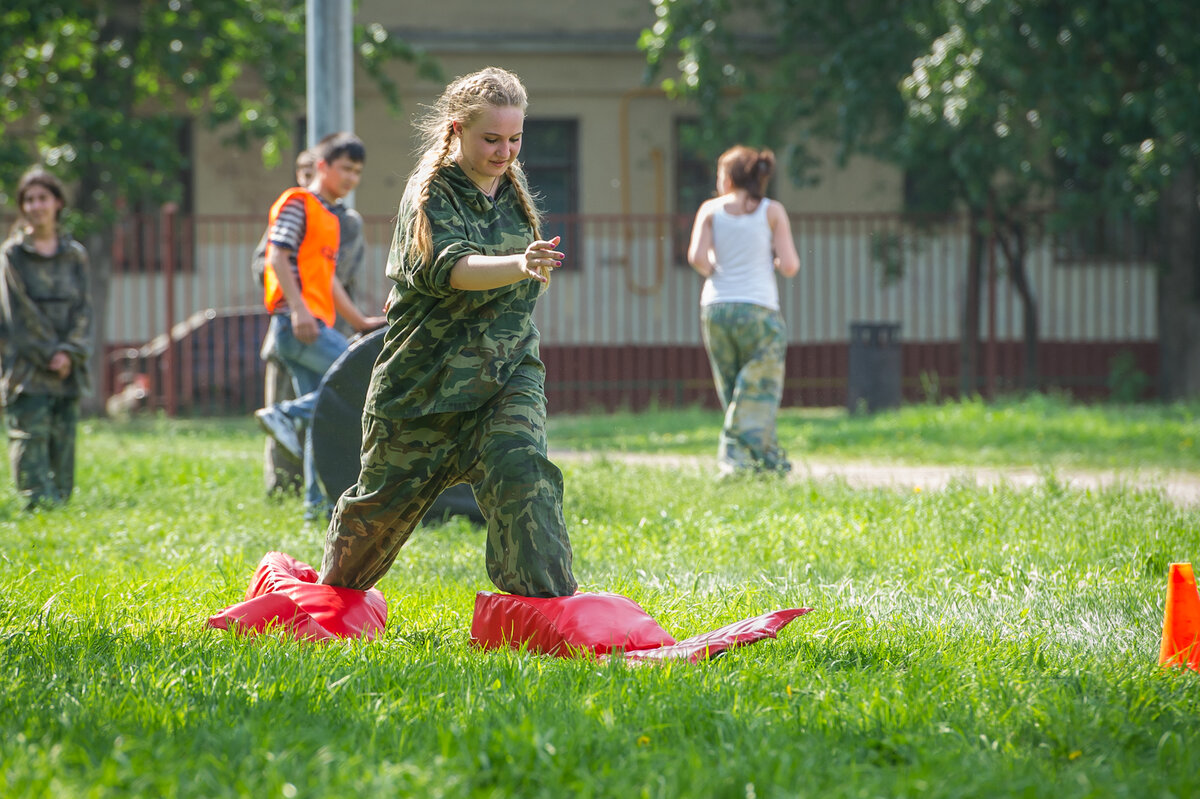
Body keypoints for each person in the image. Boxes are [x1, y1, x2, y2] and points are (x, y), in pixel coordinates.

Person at [316, 66, 576, 599]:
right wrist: (518, 264)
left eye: (515, 139)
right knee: (375, 516)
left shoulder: (511, 188)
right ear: (457, 129)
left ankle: (544, 604)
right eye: (491, 139)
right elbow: (453, 269)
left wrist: (520, 268)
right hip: (424, 387)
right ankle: (328, 596)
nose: (505, 152)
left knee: (522, 469)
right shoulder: (431, 190)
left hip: (505, 375)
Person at [254, 132, 385, 521]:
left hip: (312, 321)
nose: (351, 179)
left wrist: (360, 321)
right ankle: (285, 413)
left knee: (322, 414)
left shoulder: (328, 218)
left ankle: (316, 505)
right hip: (297, 324)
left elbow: (328, 280)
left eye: (358, 172)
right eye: (345, 168)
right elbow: (276, 256)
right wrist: (298, 310)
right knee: (363, 382)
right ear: (322, 165)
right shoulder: (299, 203)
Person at [687, 145, 800, 478]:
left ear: (729, 177)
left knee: (734, 391)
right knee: (759, 391)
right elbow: (791, 265)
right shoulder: (771, 211)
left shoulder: (709, 209)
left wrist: (715, 268)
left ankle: (767, 463)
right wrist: (776, 261)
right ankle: (735, 463)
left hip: (716, 309)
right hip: (759, 309)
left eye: (720, 174)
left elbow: (697, 258)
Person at [0, 167, 92, 510]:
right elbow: (17, 313)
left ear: (57, 203)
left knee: (62, 456)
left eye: (43, 198)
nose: (36, 206)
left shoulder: (75, 255)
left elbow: (85, 310)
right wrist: (50, 354)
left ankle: (61, 513)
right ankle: (37, 512)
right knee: (29, 447)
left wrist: (69, 353)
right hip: (27, 371)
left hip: (66, 371)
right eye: (29, 199)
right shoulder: (12, 255)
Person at [251, 149, 317, 497]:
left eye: (313, 170)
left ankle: (316, 491)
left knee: (322, 416)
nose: (308, 179)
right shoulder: (289, 216)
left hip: (326, 333)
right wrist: (295, 291)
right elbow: (264, 262)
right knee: (280, 416)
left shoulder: (343, 220)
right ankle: (282, 490)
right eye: (302, 172)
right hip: (288, 334)